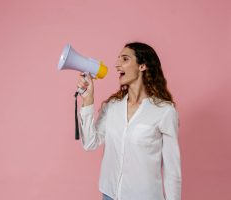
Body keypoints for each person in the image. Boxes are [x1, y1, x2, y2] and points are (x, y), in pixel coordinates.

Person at [77, 42, 181, 200]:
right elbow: (90, 143)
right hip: (110, 195)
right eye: (118, 59)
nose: (117, 64)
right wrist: (88, 100)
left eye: (124, 59)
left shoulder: (164, 112)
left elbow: (172, 170)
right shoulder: (112, 107)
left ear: (142, 66)